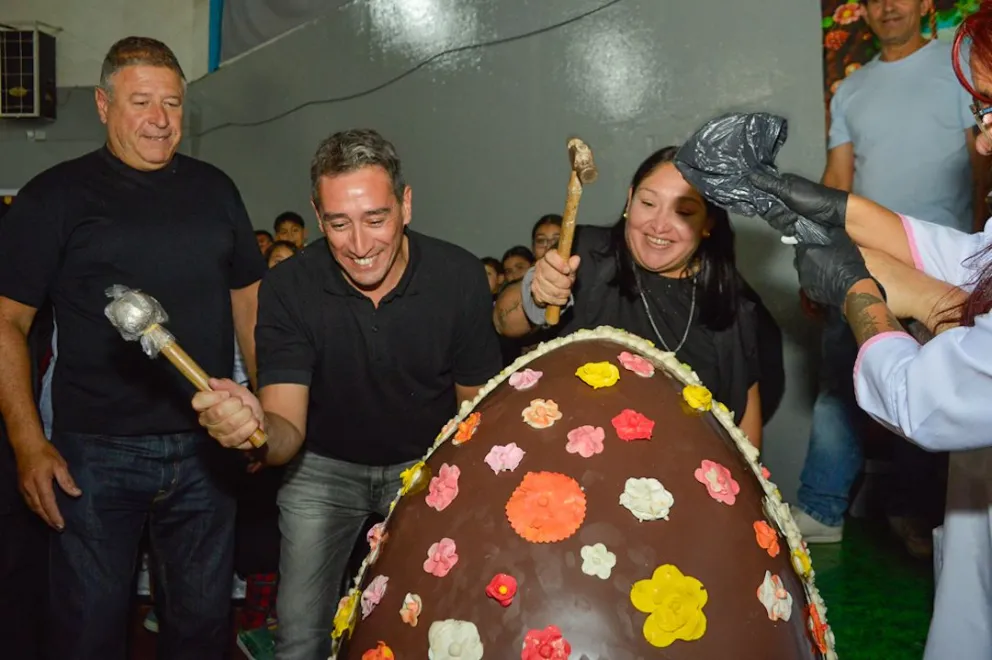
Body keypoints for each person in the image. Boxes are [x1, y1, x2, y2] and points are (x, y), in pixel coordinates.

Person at [190, 128, 502, 660]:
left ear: (406, 203)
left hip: (425, 470)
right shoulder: (289, 286)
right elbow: (286, 431)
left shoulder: (459, 276)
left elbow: (474, 409)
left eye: (375, 219)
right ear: (317, 215)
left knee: (437, 627)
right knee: (300, 635)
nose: (359, 246)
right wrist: (254, 428)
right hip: (321, 470)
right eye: (339, 223)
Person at [0, 36, 265, 660]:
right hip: (93, 452)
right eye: (141, 101)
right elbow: (8, 322)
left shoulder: (216, 189)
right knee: (87, 631)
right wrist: (27, 443)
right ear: (101, 105)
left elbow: (251, 306)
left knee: (200, 630)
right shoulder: (53, 197)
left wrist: (265, 415)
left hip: (206, 451)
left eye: (172, 103)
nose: (160, 118)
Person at [796, 0, 989, 552]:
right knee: (841, 381)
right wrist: (816, 240)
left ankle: (914, 512)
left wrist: (983, 253)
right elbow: (838, 176)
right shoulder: (851, 90)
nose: (888, 6)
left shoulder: (959, 65)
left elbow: (980, 169)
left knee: (938, 390)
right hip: (863, 255)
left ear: (925, 3)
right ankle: (821, 508)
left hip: (947, 263)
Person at [493, 146, 785, 446]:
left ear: (708, 222)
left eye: (683, 211)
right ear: (630, 200)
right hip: (567, 471)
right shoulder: (586, 254)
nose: (658, 225)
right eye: (648, 203)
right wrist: (537, 294)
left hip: (681, 477)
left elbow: (745, 416)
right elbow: (505, 321)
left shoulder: (730, 300)